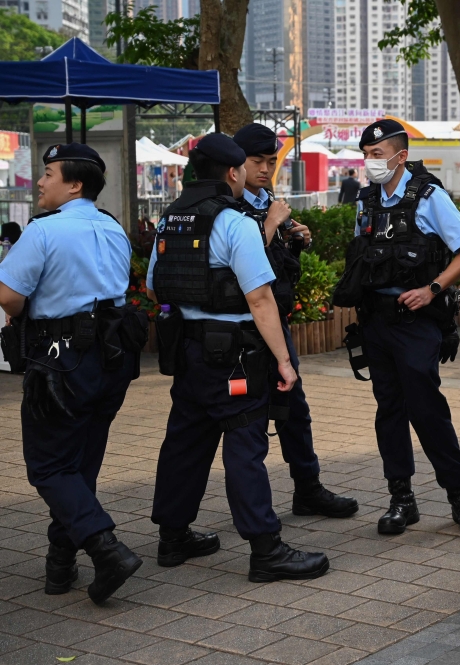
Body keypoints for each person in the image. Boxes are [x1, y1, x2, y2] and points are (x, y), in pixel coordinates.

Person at [147, 133, 329, 582]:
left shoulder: (170, 219)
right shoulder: (236, 223)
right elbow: (261, 299)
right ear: (233, 172)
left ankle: (173, 538)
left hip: (187, 349)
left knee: (185, 442)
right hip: (236, 353)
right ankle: (266, 549)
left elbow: (154, 286)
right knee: (245, 447)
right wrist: (284, 362)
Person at [0, 144, 144, 604]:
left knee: (49, 466)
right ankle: (60, 563)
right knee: (80, 462)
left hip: (60, 360)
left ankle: (106, 550)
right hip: (112, 357)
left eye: (47, 173)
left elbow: (8, 296)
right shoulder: (113, 227)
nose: (40, 182)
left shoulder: (44, 232)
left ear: (74, 184)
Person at [346, 119, 460, 536]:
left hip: (417, 322)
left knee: (426, 409)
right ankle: (401, 500)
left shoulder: (429, 197)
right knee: (388, 410)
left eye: (377, 155)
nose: (370, 163)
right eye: (366, 156)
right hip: (376, 320)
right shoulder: (366, 201)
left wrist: (433, 288)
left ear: (400, 156)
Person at [233, 123, 358, 520]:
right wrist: (270, 225)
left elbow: (269, 257)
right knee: (240, 423)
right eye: (257, 162)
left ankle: (308, 488)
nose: (266, 169)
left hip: (276, 322)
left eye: (271, 161)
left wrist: (294, 235)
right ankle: (182, 524)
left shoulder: (266, 198)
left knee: (294, 410)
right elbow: (238, 262)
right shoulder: (229, 203)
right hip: (240, 330)